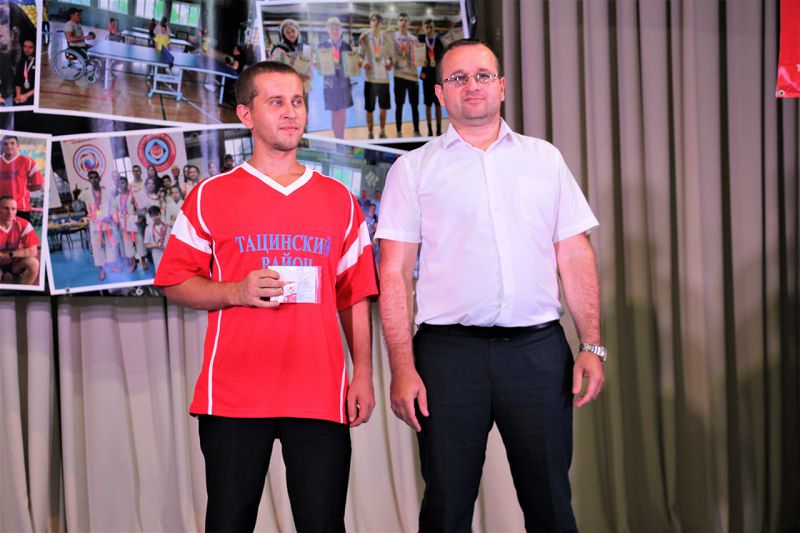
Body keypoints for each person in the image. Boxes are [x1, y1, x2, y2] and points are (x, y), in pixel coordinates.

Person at [376, 40, 606, 532]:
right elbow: (394, 272)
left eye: (482, 75)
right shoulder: (413, 169)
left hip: (537, 353)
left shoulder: (544, 159)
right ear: (440, 93)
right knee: (446, 504)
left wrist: (592, 344)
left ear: (501, 86)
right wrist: (401, 367)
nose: (472, 85)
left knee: (550, 501)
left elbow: (574, 254)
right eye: (458, 78)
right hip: (447, 357)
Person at [154, 61, 378, 532]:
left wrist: (363, 373)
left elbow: (354, 293)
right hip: (234, 394)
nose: (290, 112)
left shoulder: (339, 199)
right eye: (276, 102)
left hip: (318, 392)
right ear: (246, 114)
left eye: (297, 101)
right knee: (228, 523)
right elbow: (175, 280)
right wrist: (235, 290)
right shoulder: (210, 196)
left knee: (324, 525)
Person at [317, 17, 354, 139]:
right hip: (330, 83)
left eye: (337, 28)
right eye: (332, 28)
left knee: (342, 111)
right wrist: (317, 64)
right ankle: (336, 138)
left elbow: (351, 65)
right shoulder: (322, 46)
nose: (335, 31)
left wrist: (355, 65)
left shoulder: (346, 46)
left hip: (344, 83)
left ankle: (341, 137)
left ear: (341, 30)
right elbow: (318, 65)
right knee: (334, 112)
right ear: (328, 30)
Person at [358, 12, 393, 139]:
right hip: (370, 80)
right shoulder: (365, 38)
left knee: (383, 107)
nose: (376, 22)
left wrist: (390, 64)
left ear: (381, 23)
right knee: (370, 109)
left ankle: (382, 131)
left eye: (378, 20)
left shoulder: (386, 38)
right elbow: (359, 57)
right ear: (370, 23)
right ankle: (370, 132)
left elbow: (390, 57)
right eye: (373, 20)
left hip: (384, 79)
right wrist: (363, 63)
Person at [79, 170, 118, 281]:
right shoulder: (85, 194)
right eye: (91, 178)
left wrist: (111, 216)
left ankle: (112, 265)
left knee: (111, 245)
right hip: (95, 224)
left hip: (107, 222)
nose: (94, 180)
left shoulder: (107, 192)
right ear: (89, 180)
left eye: (95, 177)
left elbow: (112, 206)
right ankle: (102, 269)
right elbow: (78, 203)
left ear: (99, 178)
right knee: (97, 247)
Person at [0, 135, 44, 222]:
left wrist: (23, 189)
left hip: (21, 209)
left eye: (12, 143)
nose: (9, 146)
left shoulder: (28, 162)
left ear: (18, 145)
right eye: (5, 144)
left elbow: (39, 184)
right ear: (2, 146)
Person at [391, 13, 421, 137]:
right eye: (401, 20)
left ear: (408, 23)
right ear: (397, 22)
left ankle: (416, 130)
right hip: (399, 76)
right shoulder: (392, 37)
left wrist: (421, 59)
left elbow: (419, 58)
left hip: (412, 76)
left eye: (406, 20)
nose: (403, 22)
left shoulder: (414, 39)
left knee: (414, 105)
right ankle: (398, 131)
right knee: (399, 105)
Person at [0, 196, 39, 285]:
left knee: (34, 263)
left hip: (15, 264)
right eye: (6, 208)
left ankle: (22, 290)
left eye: (13, 209)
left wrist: (10, 254)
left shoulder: (24, 224)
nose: (10, 212)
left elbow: (33, 251)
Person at [269, 19, 312, 93]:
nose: (291, 34)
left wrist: (308, 76)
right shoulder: (279, 49)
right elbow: (275, 69)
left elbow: (310, 67)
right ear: (283, 34)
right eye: (287, 32)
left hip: (303, 87)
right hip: (287, 87)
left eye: (293, 31)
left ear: (297, 31)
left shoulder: (305, 48)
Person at [418, 18, 444, 136]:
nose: (429, 29)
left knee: (438, 105)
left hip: (437, 77)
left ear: (434, 28)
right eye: (427, 27)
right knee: (427, 105)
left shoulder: (438, 42)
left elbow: (443, 58)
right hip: (426, 77)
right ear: (424, 28)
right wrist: (420, 62)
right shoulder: (420, 41)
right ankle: (429, 130)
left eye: (431, 27)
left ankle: (438, 129)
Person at [110, 176, 139, 273]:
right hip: (122, 224)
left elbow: (139, 207)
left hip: (133, 221)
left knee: (138, 242)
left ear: (127, 183)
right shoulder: (116, 198)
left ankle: (140, 260)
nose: (121, 185)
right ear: (117, 185)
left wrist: (137, 216)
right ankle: (132, 262)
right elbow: (113, 211)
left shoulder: (133, 195)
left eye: (123, 182)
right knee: (127, 244)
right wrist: (117, 219)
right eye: (119, 183)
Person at [144, 205, 169, 270]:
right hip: (157, 255)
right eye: (153, 216)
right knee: (159, 272)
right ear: (150, 217)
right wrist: (157, 246)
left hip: (169, 254)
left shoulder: (168, 227)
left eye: (157, 214)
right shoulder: (148, 229)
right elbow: (146, 245)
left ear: (160, 214)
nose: (156, 217)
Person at [13, 39, 35, 106]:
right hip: (21, 95)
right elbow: (17, 80)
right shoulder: (22, 61)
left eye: (30, 47)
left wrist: (26, 96)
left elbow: (40, 86)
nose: (27, 49)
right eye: (25, 46)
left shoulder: (38, 62)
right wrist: (18, 96)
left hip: (33, 95)